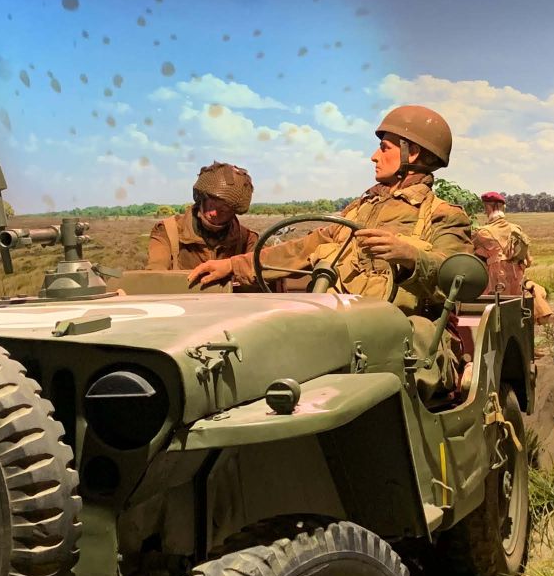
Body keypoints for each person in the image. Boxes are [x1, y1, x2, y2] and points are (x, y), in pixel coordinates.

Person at [188, 105, 472, 407]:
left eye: (384, 148)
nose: (374, 157)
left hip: (399, 337)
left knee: (409, 343)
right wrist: (233, 265)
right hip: (339, 330)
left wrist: (411, 256)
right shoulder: (361, 207)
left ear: (411, 153)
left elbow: (456, 278)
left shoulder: (444, 216)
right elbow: (306, 247)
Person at [146, 162, 258, 271]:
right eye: (211, 204)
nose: (214, 213)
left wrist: (235, 266)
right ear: (202, 199)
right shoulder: (168, 232)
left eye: (224, 210)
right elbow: (154, 275)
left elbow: (263, 273)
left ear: (234, 212)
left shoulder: (247, 240)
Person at [473, 191, 554, 323]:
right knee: (515, 313)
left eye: (485, 208)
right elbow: (528, 261)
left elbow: (470, 254)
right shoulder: (516, 229)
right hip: (517, 280)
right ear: (502, 208)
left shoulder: (483, 232)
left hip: (496, 282)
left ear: (489, 208)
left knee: (496, 314)